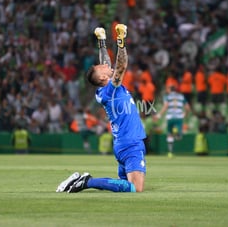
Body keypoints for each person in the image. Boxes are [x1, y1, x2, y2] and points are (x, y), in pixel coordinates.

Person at [57, 24, 147, 193]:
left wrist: (102, 42)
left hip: (122, 142)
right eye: (103, 68)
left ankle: (85, 181)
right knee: (135, 188)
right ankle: (86, 182)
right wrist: (121, 41)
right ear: (105, 77)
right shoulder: (111, 89)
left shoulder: (104, 91)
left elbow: (106, 64)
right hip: (130, 143)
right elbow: (120, 66)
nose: (106, 65)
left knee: (123, 185)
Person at [154, 85, 191, 158]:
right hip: (179, 117)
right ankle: (176, 130)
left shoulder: (167, 97)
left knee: (169, 135)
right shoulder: (181, 96)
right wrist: (185, 114)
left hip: (170, 117)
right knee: (178, 137)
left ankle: (170, 152)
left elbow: (165, 106)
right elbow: (187, 108)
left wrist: (159, 115)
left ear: (170, 90)